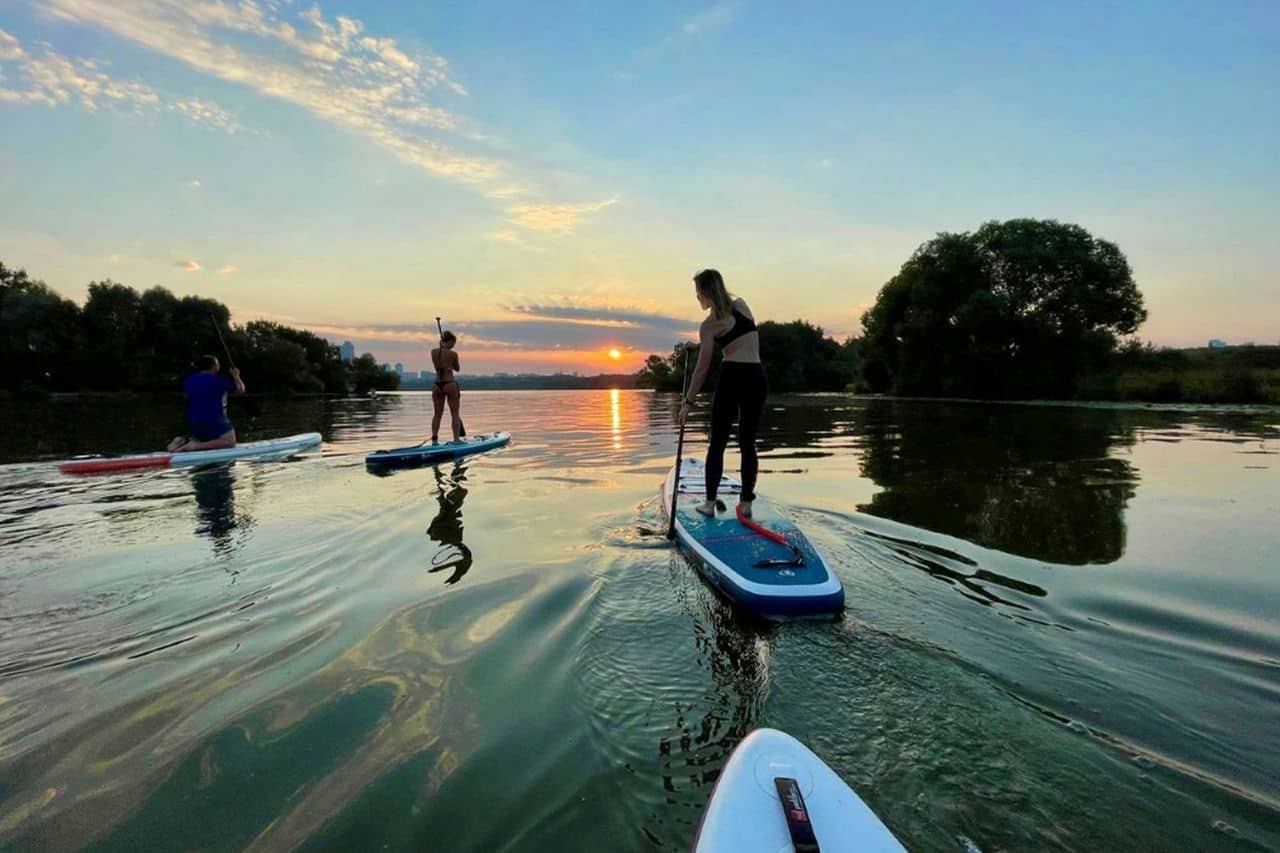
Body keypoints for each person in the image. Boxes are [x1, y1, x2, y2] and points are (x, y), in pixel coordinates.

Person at [678, 269, 766, 518]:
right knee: (748, 442)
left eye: (698, 293)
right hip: (757, 376)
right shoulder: (742, 306)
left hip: (732, 378)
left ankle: (708, 504)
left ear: (704, 293)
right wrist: (699, 344)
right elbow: (736, 336)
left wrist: (688, 402)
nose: (697, 299)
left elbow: (703, 367)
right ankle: (746, 503)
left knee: (717, 442)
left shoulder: (708, 326)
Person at [167, 355, 246, 452]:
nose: (219, 367)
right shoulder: (219, 380)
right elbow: (241, 390)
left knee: (204, 434)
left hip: (194, 422)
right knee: (230, 442)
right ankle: (194, 446)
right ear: (213, 366)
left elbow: (188, 396)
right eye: (218, 364)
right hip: (215, 420)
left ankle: (183, 441)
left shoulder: (188, 381)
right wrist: (236, 376)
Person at [431, 330, 464, 442]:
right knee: (455, 414)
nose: (453, 345)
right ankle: (456, 439)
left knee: (437, 414)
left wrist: (441, 346)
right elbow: (457, 368)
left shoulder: (433, 352)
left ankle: (434, 438)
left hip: (437, 385)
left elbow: (439, 360)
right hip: (450, 383)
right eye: (453, 343)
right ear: (449, 341)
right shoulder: (453, 354)